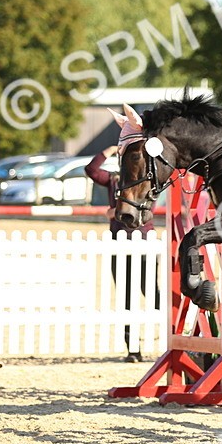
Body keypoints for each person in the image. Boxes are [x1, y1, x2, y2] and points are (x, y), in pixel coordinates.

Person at [86, 145, 161, 362]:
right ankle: (133, 349)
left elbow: (147, 209)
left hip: (143, 242)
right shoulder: (113, 181)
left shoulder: (147, 180)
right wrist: (108, 150)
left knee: (152, 294)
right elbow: (91, 169)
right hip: (119, 244)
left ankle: (174, 334)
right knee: (126, 298)